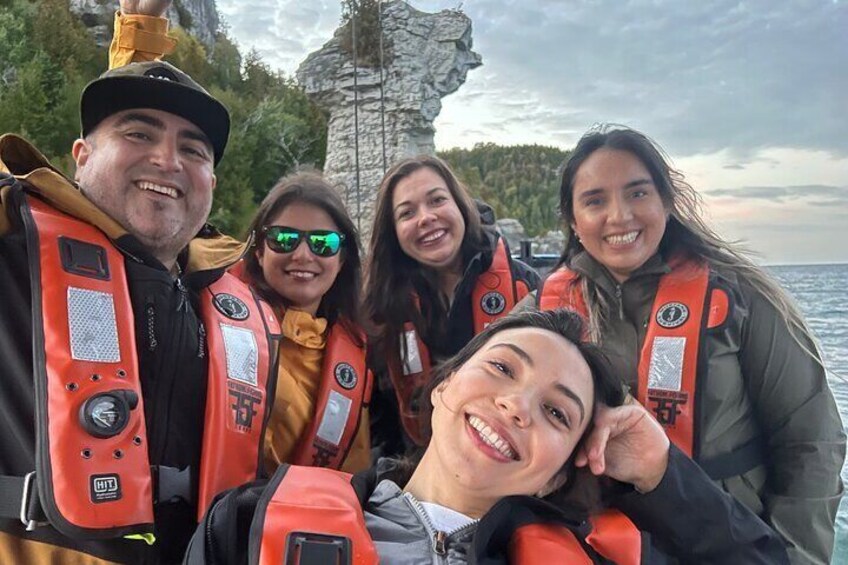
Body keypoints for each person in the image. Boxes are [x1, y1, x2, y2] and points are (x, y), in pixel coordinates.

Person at [0, 2, 280, 563]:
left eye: (192, 150)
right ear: (79, 158)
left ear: (212, 183)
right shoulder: (13, 237)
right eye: (137, 132)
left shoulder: (241, 310)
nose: (166, 161)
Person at [184, 309, 789, 564]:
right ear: (444, 386)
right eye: (503, 368)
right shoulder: (245, 524)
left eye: (558, 414)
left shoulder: (598, 557)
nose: (517, 405)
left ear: (559, 472)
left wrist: (661, 471)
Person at [533, 125, 844, 564]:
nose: (620, 216)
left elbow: (812, 441)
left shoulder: (742, 297)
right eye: (595, 200)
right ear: (572, 219)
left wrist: (797, 556)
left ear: (666, 200)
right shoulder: (542, 308)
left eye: (638, 193)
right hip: (596, 542)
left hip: (730, 540)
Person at [364, 155, 540, 453]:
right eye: (407, 213)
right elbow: (381, 422)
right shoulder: (381, 308)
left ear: (460, 205)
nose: (426, 217)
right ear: (393, 233)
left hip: (512, 458)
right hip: (420, 466)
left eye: (437, 200)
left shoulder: (528, 289)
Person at [241, 172, 372, 474]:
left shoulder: (359, 358)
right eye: (283, 239)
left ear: (342, 259)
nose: (302, 255)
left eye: (323, 243)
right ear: (259, 251)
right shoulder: (214, 325)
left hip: (301, 517)